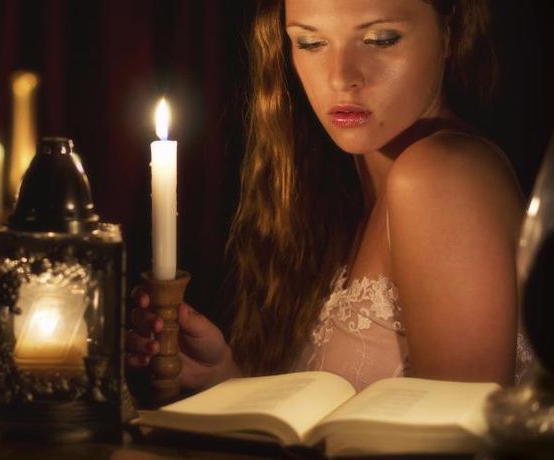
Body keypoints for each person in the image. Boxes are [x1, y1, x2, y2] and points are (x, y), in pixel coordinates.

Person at [127, 0, 533, 392]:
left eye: (380, 39)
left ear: (450, 31)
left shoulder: (441, 175)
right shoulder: (339, 198)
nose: (341, 77)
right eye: (311, 43)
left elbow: (461, 441)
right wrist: (227, 382)